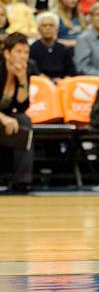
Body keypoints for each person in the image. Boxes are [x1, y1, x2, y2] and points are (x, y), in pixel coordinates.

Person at [0, 32, 35, 194]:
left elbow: (22, 107)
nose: (23, 56)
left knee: (24, 120)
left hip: (7, 116)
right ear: (7, 53)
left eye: (26, 52)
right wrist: (4, 119)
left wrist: (22, 81)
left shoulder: (26, 70)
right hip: (2, 117)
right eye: (18, 52)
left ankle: (22, 181)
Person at [29, 12, 76, 80]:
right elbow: (33, 71)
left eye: (51, 25)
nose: (48, 28)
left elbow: (71, 72)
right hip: (41, 83)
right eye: (44, 25)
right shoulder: (33, 48)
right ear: (38, 29)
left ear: (57, 29)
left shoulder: (64, 49)